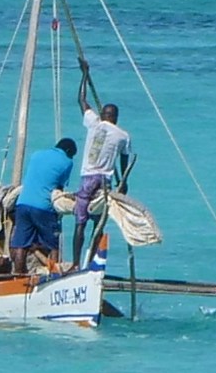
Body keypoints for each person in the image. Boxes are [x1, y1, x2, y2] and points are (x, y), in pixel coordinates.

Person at [73, 103, 133, 260]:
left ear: (103, 114)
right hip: (104, 181)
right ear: (116, 117)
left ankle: (75, 262)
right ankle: (91, 257)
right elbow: (124, 162)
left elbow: (82, 100)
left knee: (80, 223)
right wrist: (123, 182)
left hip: (87, 178)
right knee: (98, 223)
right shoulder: (123, 136)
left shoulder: (95, 123)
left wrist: (84, 80)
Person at [13, 137, 76, 269]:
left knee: (21, 244)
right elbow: (59, 188)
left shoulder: (37, 154)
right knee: (53, 244)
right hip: (43, 207)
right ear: (69, 151)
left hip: (22, 204)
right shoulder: (67, 162)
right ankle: (54, 273)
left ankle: (18, 276)